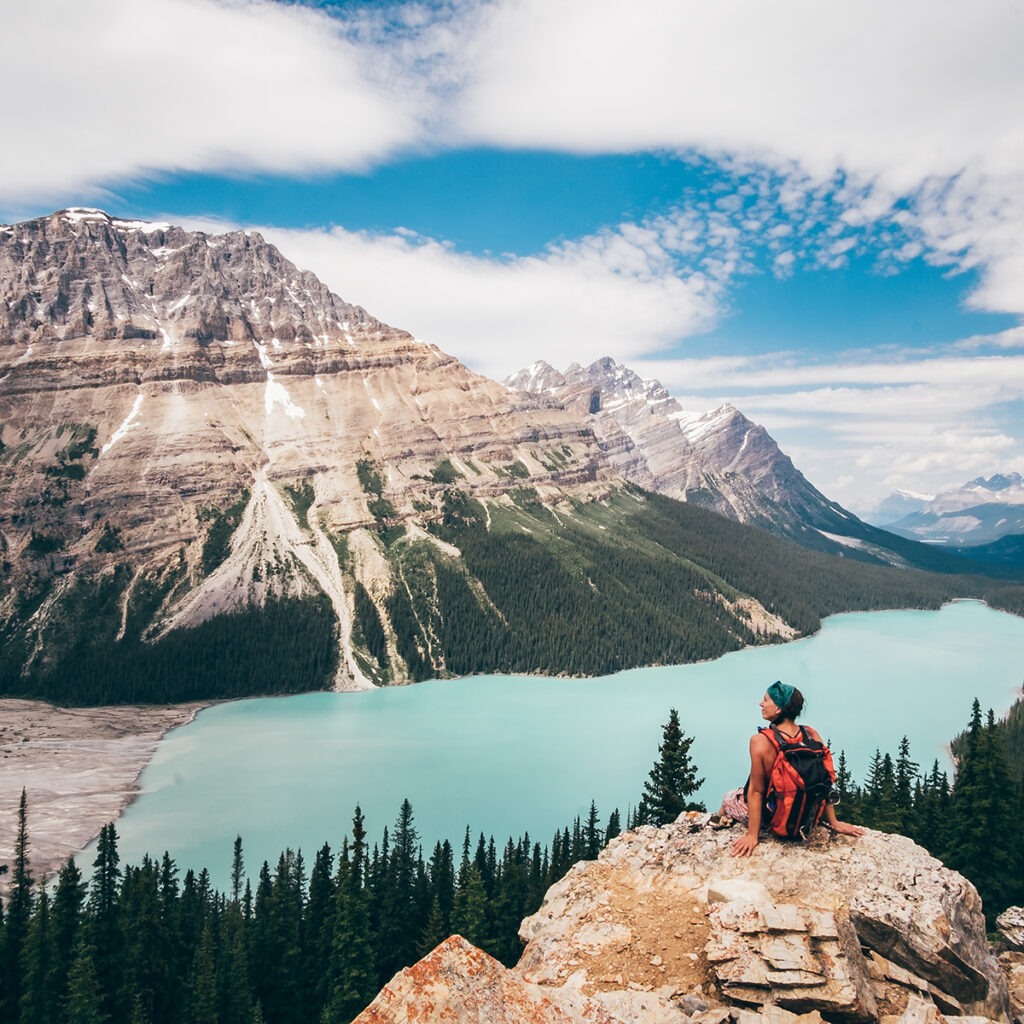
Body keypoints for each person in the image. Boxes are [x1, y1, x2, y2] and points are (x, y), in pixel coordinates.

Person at [723, 681, 865, 857]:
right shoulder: (811, 734)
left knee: (729, 798)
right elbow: (823, 782)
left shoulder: (760, 741)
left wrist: (752, 835)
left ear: (778, 709)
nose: (761, 703)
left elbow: (756, 791)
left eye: (766, 700)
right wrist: (834, 822)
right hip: (807, 822)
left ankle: (718, 824)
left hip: (775, 821)